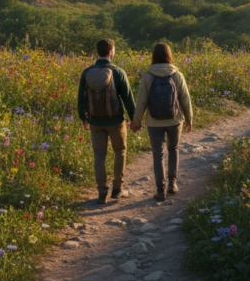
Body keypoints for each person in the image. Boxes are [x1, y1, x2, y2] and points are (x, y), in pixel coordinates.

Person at [131, 42, 193, 201]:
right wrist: (189, 119)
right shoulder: (177, 75)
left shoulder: (148, 76)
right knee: (174, 150)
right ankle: (172, 184)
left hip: (154, 122)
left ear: (154, 56)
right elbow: (185, 99)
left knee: (157, 154)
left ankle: (160, 190)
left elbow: (141, 102)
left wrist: (136, 122)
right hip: (174, 120)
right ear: (169, 55)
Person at [77, 38, 137, 204]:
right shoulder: (118, 72)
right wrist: (134, 120)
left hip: (95, 122)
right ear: (111, 52)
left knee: (99, 156)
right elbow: (128, 100)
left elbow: (81, 97)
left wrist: (84, 117)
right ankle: (117, 189)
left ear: (98, 52)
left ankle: (102, 191)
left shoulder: (87, 72)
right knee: (120, 151)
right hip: (116, 121)